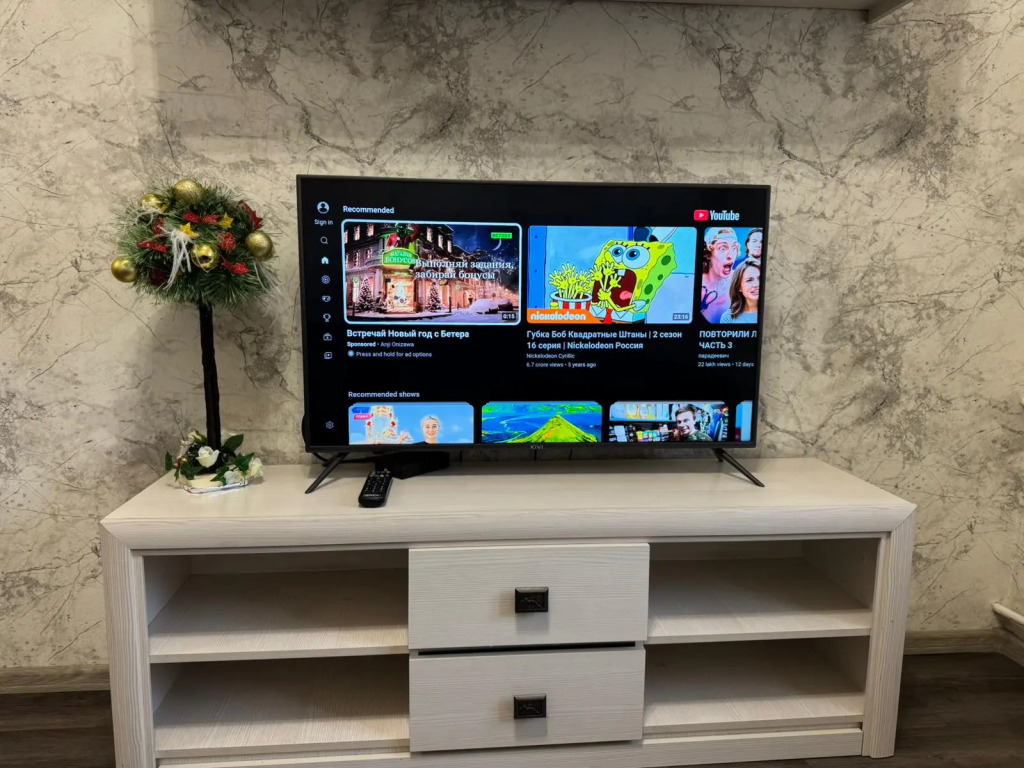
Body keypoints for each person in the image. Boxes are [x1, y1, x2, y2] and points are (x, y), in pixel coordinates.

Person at [700, 228, 739, 323]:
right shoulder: (692, 281)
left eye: (734, 248)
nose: (730, 255)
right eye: (723, 248)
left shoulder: (740, 281)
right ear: (708, 253)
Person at [721, 260, 760, 324]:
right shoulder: (728, 317)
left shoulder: (771, 312)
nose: (756, 284)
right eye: (749, 280)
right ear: (739, 287)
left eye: (760, 278)